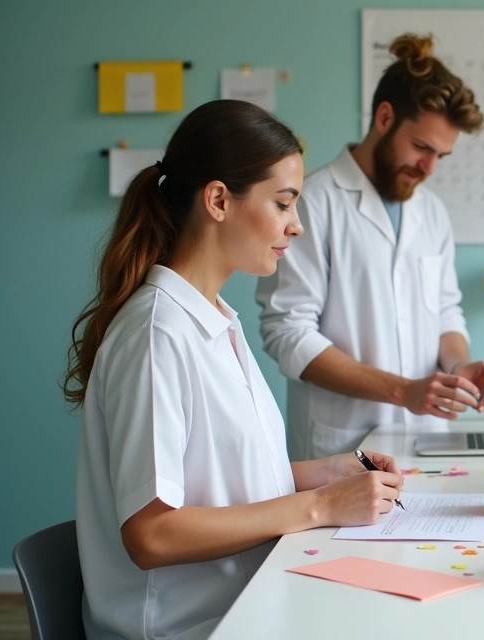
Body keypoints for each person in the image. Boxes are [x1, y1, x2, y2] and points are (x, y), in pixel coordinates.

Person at [65, 100, 404, 640]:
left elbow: (216, 478)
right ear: (219, 200)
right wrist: (318, 506)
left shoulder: (215, 321)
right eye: (283, 203)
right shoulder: (156, 334)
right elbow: (152, 534)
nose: (296, 226)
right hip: (185, 625)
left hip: (245, 603)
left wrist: (325, 474)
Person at [257, 33, 484, 460]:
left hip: (427, 439)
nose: (429, 168)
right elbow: (289, 333)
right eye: (421, 147)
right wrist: (403, 391)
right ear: (385, 117)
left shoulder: (431, 212)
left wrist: (457, 365)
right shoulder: (313, 203)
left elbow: (445, 312)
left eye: (441, 156)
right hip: (342, 445)